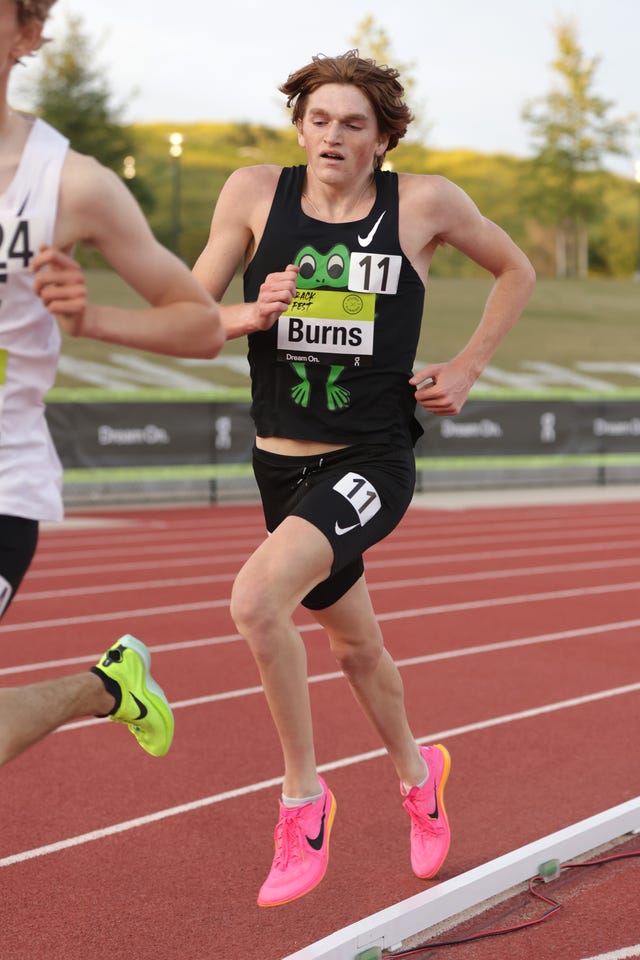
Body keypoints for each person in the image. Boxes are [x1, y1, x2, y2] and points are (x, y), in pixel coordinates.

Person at [193, 49, 535, 907]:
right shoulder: (250, 194)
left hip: (372, 460)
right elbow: (193, 319)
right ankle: (422, 778)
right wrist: (250, 312)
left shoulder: (422, 203)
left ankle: (303, 802)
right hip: (281, 466)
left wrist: (465, 366)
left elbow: (516, 268)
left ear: (383, 137)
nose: (332, 136)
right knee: (355, 648)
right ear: (299, 127)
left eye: (353, 123)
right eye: (318, 119)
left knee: (255, 601)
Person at [0, 0, 225, 767]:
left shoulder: (73, 186)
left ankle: (102, 690)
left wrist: (91, 318)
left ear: (27, 34)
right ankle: (108, 686)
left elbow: (199, 324)